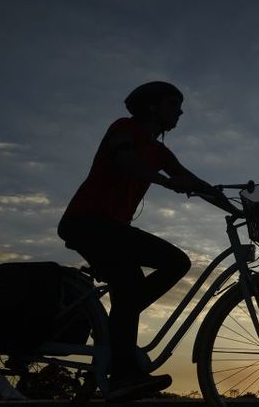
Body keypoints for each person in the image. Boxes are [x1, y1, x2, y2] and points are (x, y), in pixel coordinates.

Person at [58, 81, 214, 401]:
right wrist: (167, 183)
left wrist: (239, 204)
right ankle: (124, 372)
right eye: (174, 104)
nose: (180, 111)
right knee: (146, 274)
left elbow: (191, 180)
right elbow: (125, 159)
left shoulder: (159, 151)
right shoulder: (125, 128)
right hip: (88, 222)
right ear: (152, 107)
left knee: (155, 275)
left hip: (111, 228)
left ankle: (120, 324)